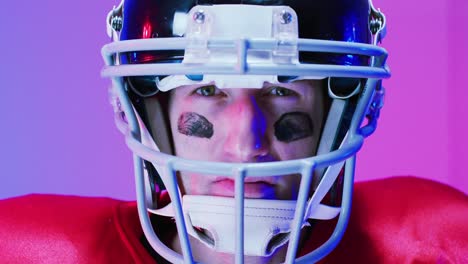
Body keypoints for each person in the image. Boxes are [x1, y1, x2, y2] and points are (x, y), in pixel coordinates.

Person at [1, 0, 467, 263]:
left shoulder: (431, 242)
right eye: (206, 91)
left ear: (339, 112)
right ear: (149, 110)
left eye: (282, 90)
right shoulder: (34, 250)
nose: (246, 144)